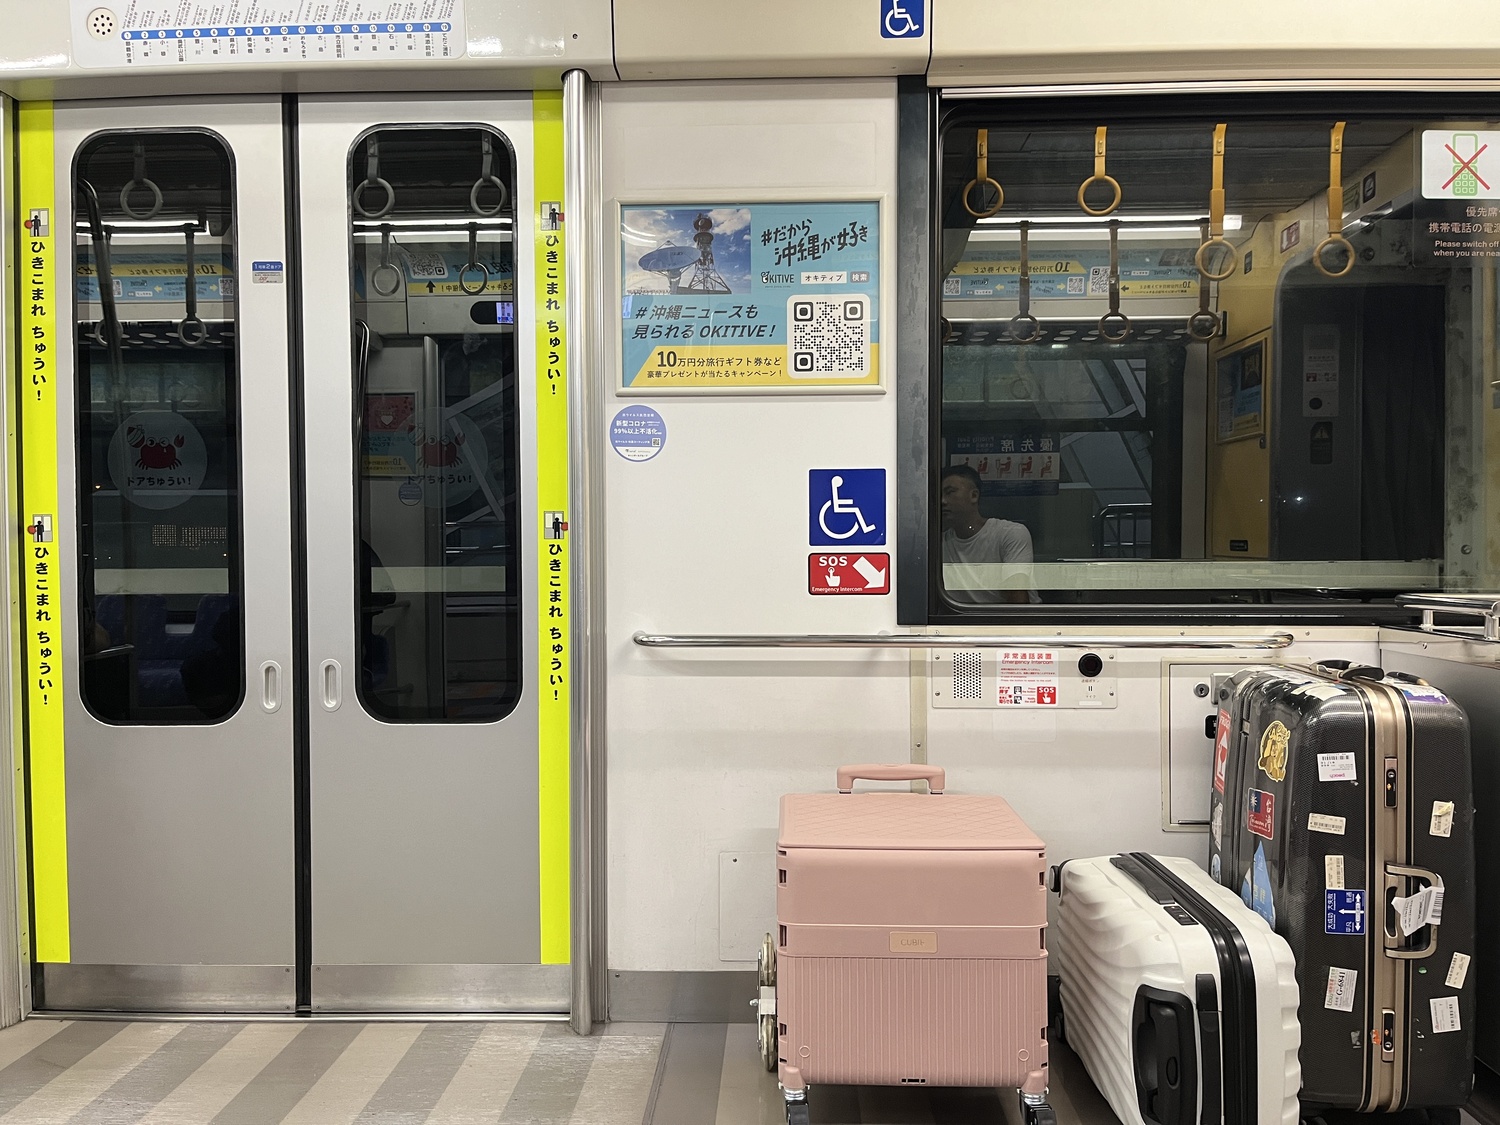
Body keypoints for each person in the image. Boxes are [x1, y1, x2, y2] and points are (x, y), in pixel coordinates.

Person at [939, 463, 1039, 604]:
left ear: (974, 496)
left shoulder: (1009, 533)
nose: (942, 501)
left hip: (1004, 616)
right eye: (940, 495)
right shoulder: (939, 543)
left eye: (950, 492)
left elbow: (1017, 601)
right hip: (962, 616)